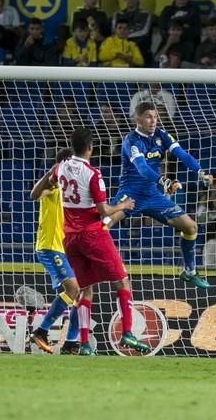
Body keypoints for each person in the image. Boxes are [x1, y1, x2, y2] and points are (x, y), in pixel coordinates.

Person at [52, 128, 148, 355]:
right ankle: (127, 333)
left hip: (70, 237)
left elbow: (51, 182)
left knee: (86, 290)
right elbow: (104, 211)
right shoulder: (93, 173)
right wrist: (123, 206)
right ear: (90, 148)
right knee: (122, 282)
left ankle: (84, 344)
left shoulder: (60, 168)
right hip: (92, 235)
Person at [103, 102, 213, 288]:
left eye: (155, 116)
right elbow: (142, 168)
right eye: (148, 116)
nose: (153, 120)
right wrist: (165, 182)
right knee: (103, 225)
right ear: (137, 119)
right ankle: (93, 265)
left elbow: (182, 154)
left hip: (153, 195)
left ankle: (189, 271)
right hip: (131, 194)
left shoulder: (162, 135)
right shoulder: (131, 140)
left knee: (190, 227)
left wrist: (200, 171)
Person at [28, 148, 81, 355]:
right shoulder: (53, 186)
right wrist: (53, 171)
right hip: (50, 247)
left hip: (67, 248)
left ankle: (70, 343)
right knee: (73, 289)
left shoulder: (74, 190)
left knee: (82, 293)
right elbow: (33, 195)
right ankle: (41, 331)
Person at [112, 0, 152, 65]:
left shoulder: (146, 15)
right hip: (120, 48)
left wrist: (123, 35)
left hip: (139, 47)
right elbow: (114, 31)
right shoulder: (117, 15)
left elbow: (143, 32)